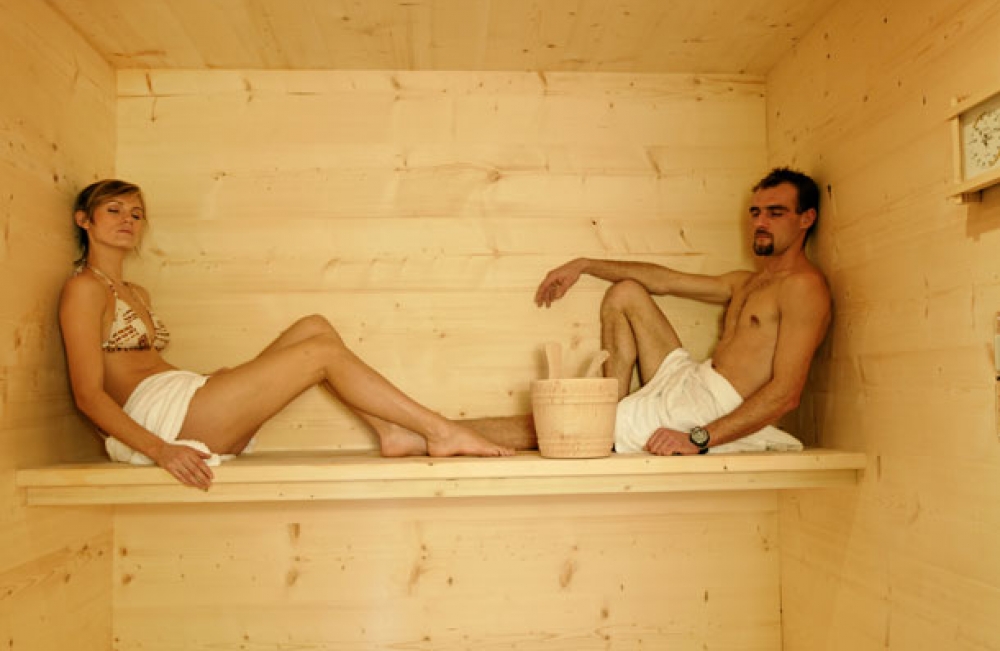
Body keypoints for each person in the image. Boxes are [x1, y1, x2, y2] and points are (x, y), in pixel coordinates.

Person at [60, 179, 514, 491]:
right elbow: (88, 395)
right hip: (161, 425)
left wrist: (211, 383)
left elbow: (144, 364)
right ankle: (440, 430)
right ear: (84, 220)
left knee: (314, 327)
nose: (128, 220)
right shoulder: (84, 289)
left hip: (184, 400)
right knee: (319, 353)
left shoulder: (135, 291)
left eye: (136, 213)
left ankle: (390, 432)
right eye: (114, 210)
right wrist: (161, 451)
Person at [534, 167, 831, 455]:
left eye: (775, 213)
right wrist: (585, 265)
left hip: (716, 408)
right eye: (756, 213)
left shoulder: (803, 287)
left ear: (806, 218)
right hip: (693, 379)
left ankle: (607, 428)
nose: (761, 222)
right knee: (626, 292)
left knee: (570, 425)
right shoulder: (747, 282)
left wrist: (698, 438)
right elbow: (665, 281)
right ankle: (611, 416)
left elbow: (786, 393)